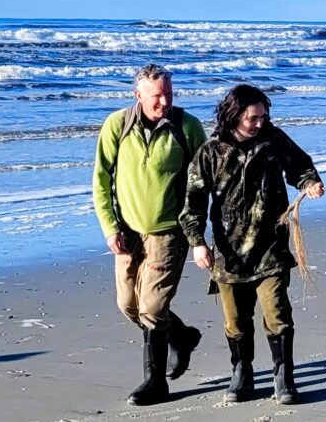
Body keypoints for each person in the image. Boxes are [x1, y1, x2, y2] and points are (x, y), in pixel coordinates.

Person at [181, 84, 325, 404]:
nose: (260, 123)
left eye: (263, 116)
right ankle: (242, 371)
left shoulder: (274, 141)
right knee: (235, 320)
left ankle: (283, 376)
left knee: (277, 312)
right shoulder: (211, 152)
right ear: (234, 115)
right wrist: (197, 243)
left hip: (271, 245)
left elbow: (299, 165)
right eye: (253, 118)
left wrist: (310, 182)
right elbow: (193, 202)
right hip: (228, 252)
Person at [92, 63, 208, 406]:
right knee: (128, 305)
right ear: (137, 95)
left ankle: (155, 382)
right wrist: (110, 227)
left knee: (153, 308)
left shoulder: (187, 127)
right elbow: (100, 180)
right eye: (156, 96)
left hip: (169, 233)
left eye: (169, 94)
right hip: (127, 233)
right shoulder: (117, 125)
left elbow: (203, 182)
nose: (163, 102)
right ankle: (182, 336)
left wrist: (198, 234)